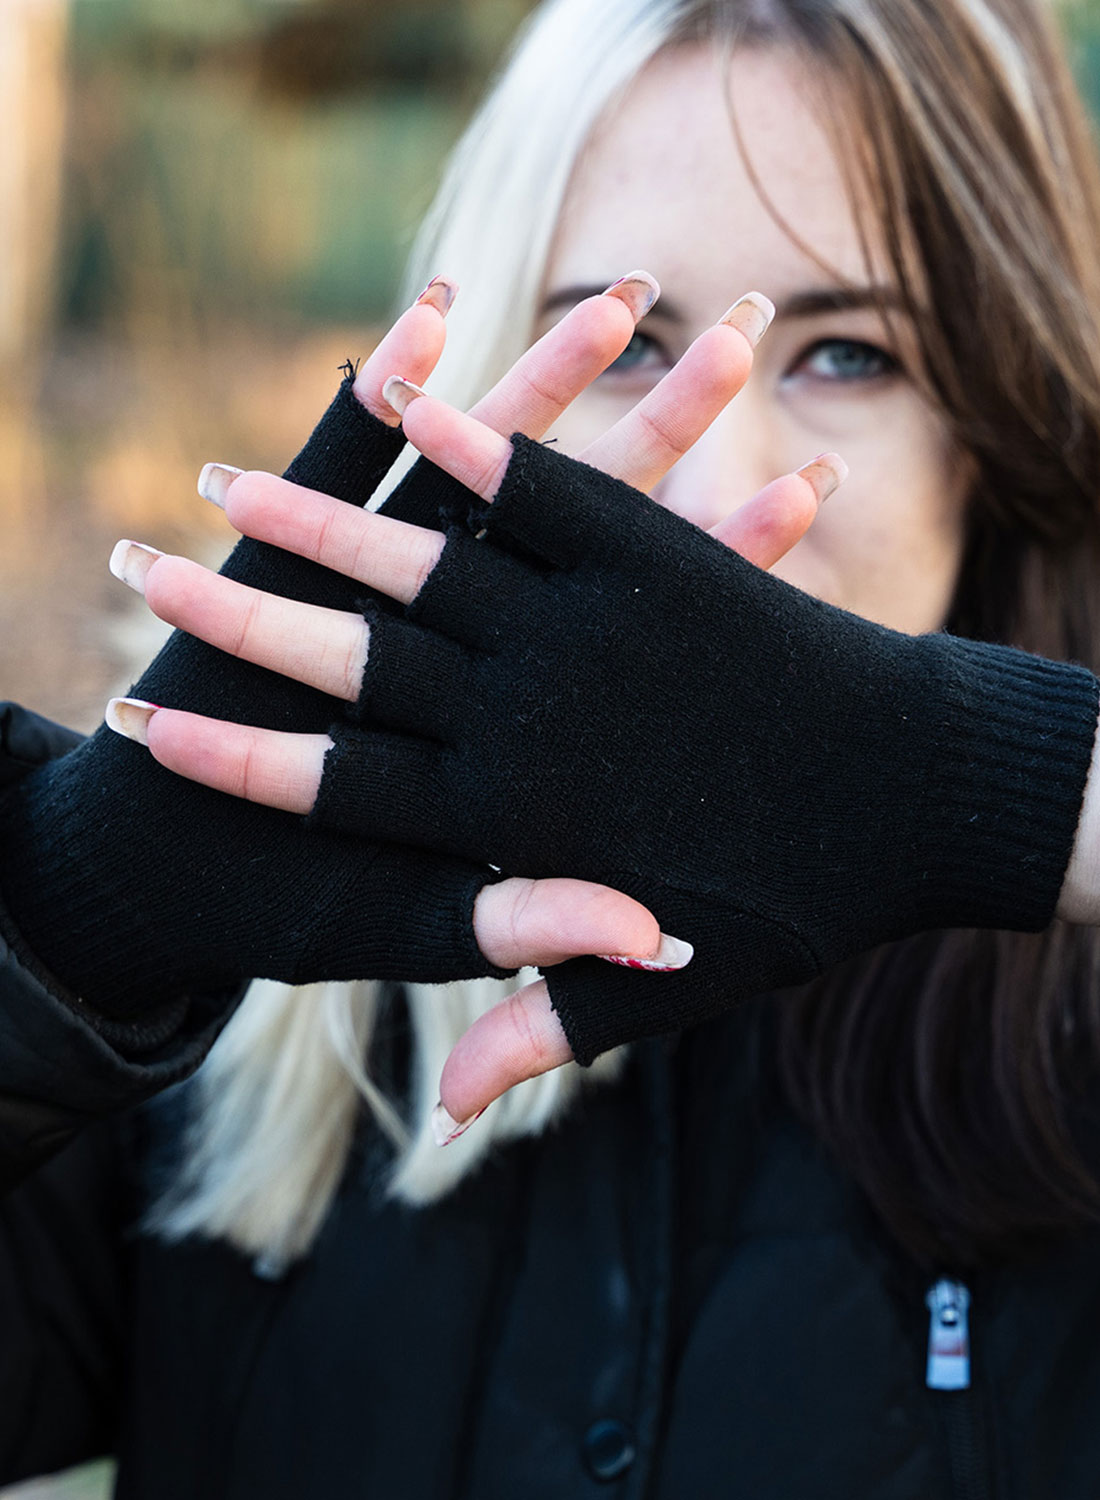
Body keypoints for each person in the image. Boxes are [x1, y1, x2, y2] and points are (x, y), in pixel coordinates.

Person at [3, 0, 1100, 1493]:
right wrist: (61, 937)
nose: (711, 489)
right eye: (631, 346)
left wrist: (981, 784)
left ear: (999, 427)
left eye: (850, 356)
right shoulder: (230, 993)